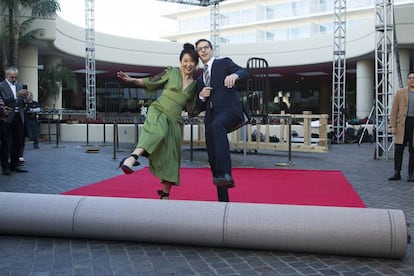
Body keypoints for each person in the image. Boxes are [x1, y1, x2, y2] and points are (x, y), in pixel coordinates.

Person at [117, 43, 200, 199]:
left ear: (196, 65)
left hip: (175, 121)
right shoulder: (171, 72)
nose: (188, 64)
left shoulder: (195, 86)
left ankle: (165, 194)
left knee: (171, 157)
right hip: (159, 110)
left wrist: (203, 97)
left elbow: (192, 110)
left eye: (192, 62)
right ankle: (131, 158)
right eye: (185, 61)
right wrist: (131, 80)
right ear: (180, 62)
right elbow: (150, 81)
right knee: (157, 132)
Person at [195, 38, 249, 202]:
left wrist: (234, 75)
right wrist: (201, 96)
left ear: (211, 50)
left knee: (218, 126)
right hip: (211, 118)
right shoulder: (199, 80)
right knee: (213, 157)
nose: (203, 51)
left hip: (229, 111)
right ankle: (223, 201)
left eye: (206, 47)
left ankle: (227, 173)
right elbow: (198, 106)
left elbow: (244, 71)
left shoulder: (223, 63)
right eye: (200, 49)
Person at [0, 66, 29, 173]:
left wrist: (27, 98)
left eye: (16, 77)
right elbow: (4, 100)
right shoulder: (1, 86)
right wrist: (17, 95)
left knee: (18, 141)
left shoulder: (19, 85)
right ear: (7, 75)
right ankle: (5, 166)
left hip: (19, 116)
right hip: (7, 117)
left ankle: (14, 164)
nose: (14, 79)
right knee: (6, 142)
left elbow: (23, 101)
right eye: (12, 77)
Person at [388, 71, 414, 182]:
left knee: (413, 151)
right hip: (402, 124)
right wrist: (392, 125)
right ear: (407, 80)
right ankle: (397, 172)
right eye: (410, 78)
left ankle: (411, 174)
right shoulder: (400, 93)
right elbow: (394, 111)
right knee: (399, 149)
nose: (412, 79)